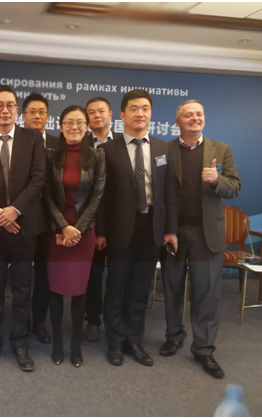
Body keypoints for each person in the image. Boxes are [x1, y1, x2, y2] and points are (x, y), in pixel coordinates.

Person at [97, 89, 177, 367]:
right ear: (122, 115)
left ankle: (134, 341)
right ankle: (115, 341)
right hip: (119, 229)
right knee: (116, 287)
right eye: (133, 108)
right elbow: (101, 197)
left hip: (152, 227)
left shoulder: (164, 149)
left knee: (141, 289)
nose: (140, 113)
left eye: (145, 108)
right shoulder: (107, 150)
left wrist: (170, 229)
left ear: (151, 114)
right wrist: (100, 231)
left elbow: (169, 193)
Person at [161, 100, 240, 379]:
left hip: (207, 234)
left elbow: (235, 187)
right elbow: (161, 191)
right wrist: (167, 229)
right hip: (173, 231)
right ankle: (174, 336)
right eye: (189, 115)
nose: (195, 118)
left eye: (199, 114)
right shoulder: (165, 150)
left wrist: (217, 180)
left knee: (206, 293)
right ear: (177, 122)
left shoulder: (222, 150)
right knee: (172, 287)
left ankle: (204, 349)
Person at [0, 85, 47, 372]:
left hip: (24, 226)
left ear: (17, 110)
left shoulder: (33, 138)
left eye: (10, 105)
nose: (5, 110)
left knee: (22, 288)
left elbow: (38, 179)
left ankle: (19, 342)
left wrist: (15, 210)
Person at [43, 105, 105, 367]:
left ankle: (75, 344)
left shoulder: (97, 156)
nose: (74, 127)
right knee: (56, 290)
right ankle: (58, 342)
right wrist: (62, 227)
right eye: (69, 122)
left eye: (80, 122)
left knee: (80, 290)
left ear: (87, 126)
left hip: (84, 233)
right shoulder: (50, 155)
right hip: (56, 233)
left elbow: (97, 195)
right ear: (60, 126)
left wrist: (77, 229)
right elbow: (46, 194)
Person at [22, 92, 60, 345]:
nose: (37, 116)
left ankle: (39, 322)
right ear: (23, 116)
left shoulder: (58, 143)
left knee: (44, 275)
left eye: (42, 112)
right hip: (21, 219)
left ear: (48, 116)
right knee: (22, 275)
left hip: (50, 220)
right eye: (32, 112)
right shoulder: (16, 142)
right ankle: (21, 319)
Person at [84, 96, 114, 343]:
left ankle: (116, 321)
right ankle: (93, 319)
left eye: (101, 111)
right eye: (91, 112)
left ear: (111, 114)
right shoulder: (81, 145)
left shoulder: (124, 142)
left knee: (118, 276)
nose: (97, 116)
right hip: (92, 221)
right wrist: (98, 229)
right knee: (93, 276)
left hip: (122, 221)